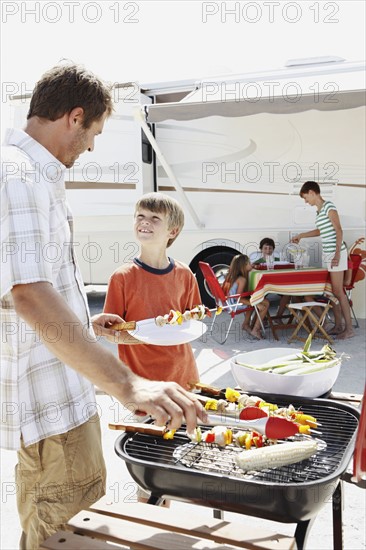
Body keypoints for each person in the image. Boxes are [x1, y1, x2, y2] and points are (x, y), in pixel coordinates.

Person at [0, 63, 206, 550]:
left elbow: (21, 296)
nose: (92, 146)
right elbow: (28, 293)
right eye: (93, 132)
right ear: (74, 117)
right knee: (65, 537)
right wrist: (129, 383)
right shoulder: (19, 174)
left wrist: (82, 323)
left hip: (63, 400)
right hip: (54, 412)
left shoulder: (27, 172)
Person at [103, 192, 201, 390]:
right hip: (141, 384)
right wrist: (151, 336)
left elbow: (194, 318)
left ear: (172, 231)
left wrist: (182, 325)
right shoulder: (121, 277)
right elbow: (110, 332)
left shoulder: (185, 274)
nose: (145, 222)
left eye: (155, 218)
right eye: (140, 216)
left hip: (183, 375)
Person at [291, 180, 354, 339]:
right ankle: (339, 325)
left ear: (312, 192)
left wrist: (338, 254)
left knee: (339, 292)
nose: (306, 201)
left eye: (306, 197)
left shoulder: (329, 207)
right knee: (334, 291)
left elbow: (339, 230)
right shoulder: (320, 211)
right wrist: (302, 236)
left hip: (335, 253)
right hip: (329, 254)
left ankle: (349, 329)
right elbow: (321, 231)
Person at [222, 254, 269, 339]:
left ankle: (246, 324)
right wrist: (255, 303)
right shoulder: (242, 279)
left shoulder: (231, 275)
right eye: (249, 263)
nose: (250, 264)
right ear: (243, 266)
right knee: (265, 303)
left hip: (226, 303)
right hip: (234, 305)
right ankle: (256, 329)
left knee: (251, 298)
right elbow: (238, 298)